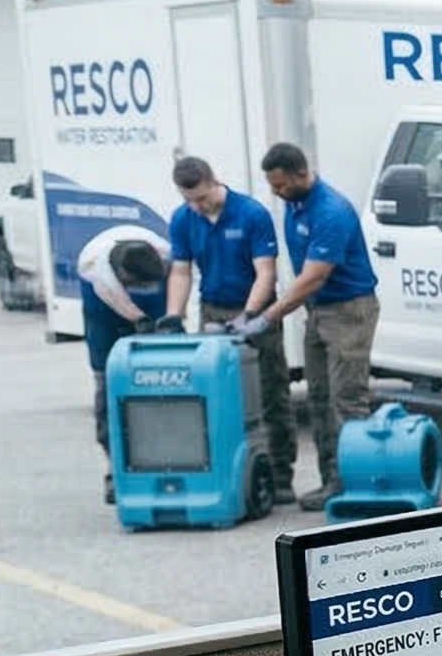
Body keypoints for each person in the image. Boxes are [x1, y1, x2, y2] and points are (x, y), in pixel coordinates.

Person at [251, 141, 380, 510]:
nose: (275, 193)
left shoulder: (330, 211)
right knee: (320, 400)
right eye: (272, 186)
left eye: (280, 185)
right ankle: (332, 482)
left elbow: (313, 277)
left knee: (347, 401)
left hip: (348, 311)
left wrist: (267, 316)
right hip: (319, 311)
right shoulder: (296, 205)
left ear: (301, 174)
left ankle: (362, 487)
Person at [164, 156, 290, 495]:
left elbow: (266, 271)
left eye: (202, 198)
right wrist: (174, 314)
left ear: (213, 181)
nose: (197, 206)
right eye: (189, 200)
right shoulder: (183, 218)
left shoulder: (251, 214)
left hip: (253, 308)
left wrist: (249, 315)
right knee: (220, 395)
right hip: (213, 309)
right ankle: (226, 472)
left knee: (270, 392)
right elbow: (180, 270)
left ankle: (280, 475)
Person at [75, 221, 174, 503]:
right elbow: (118, 301)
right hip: (103, 315)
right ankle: (114, 470)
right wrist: (139, 319)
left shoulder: (164, 252)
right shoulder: (96, 267)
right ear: (123, 274)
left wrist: (170, 321)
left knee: (162, 378)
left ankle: (165, 457)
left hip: (150, 302)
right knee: (107, 385)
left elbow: (181, 280)